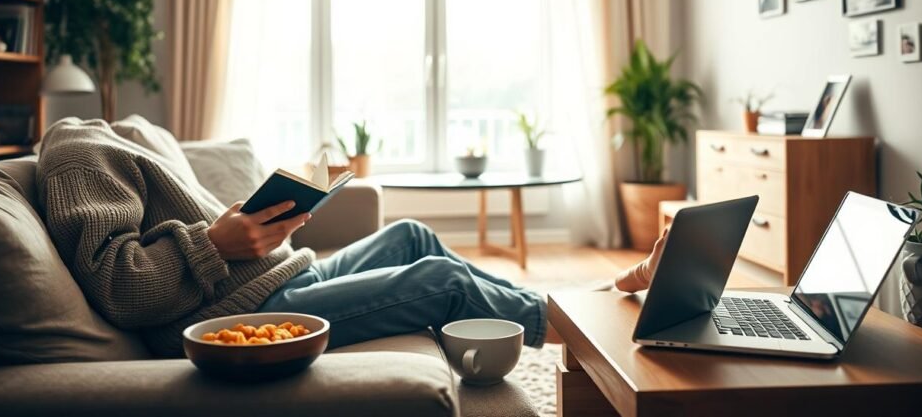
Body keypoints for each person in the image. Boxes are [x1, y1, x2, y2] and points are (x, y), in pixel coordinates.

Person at [37, 117, 666, 356]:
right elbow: (120, 285)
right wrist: (216, 243)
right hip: (243, 315)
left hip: (277, 277)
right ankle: (573, 322)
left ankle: (551, 306)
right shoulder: (77, 151)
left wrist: (260, 227)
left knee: (412, 235)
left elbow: (177, 235)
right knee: (441, 280)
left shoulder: (132, 136)